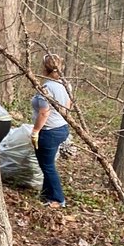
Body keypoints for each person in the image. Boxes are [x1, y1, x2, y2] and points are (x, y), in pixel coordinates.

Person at [31, 53, 71, 207]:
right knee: (46, 164)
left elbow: (44, 112)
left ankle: (58, 199)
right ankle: (47, 194)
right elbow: (68, 107)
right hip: (62, 128)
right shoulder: (66, 84)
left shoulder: (46, 88)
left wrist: (35, 131)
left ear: (44, 68)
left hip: (49, 131)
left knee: (47, 166)